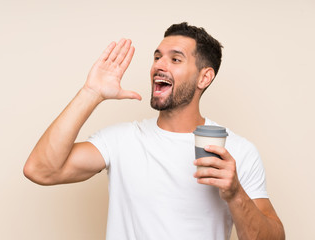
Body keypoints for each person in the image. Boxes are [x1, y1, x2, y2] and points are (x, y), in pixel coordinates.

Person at [24, 22, 285, 239]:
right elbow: (41, 170)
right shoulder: (120, 140)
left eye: (175, 59)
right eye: (157, 57)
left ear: (204, 78)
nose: (160, 65)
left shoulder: (237, 150)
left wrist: (235, 193)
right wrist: (90, 93)